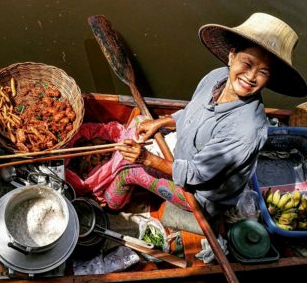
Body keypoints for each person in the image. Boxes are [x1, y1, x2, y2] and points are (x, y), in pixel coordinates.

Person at [101, 12, 307, 217]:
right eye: (247, 63)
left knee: (128, 171)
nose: (251, 77)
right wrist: (159, 122)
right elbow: (192, 112)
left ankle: (109, 207)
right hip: (184, 156)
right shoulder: (216, 77)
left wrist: (146, 159)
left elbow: (196, 174)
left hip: (200, 194)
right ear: (232, 55)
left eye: (263, 72)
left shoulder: (247, 129)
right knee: (140, 122)